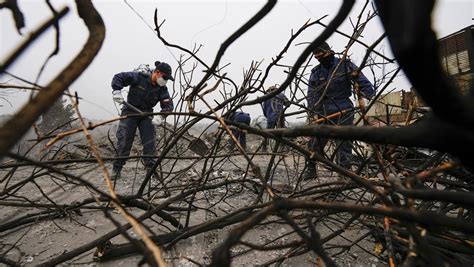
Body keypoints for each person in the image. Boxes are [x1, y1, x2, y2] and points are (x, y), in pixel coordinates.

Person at [303, 42, 375, 179]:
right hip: (323, 110)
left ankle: (344, 173)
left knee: (344, 142)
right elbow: (311, 94)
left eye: (321, 55)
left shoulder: (345, 65)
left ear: (329, 52)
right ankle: (310, 169)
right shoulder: (316, 72)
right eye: (316, 57)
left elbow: (361, 80)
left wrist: (369, 94)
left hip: (344, 109)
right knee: (315, 141)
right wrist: (312, 111)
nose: (319, 59)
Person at [110, 61, 174, 179]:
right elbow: (119, 77)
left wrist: (161, 116)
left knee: (150, 142)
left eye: (167, 79)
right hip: (130, 111)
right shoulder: (139, 77)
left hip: (147, 114)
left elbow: (168, 106)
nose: (165, 81)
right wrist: (117, 91)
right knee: (124, 141)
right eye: (164, 77)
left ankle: (151, 170)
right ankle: (116, 169)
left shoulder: (162, 89)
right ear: (157, 72)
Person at [262, 85, 290, 151]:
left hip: (270, 117)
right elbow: (288, 104)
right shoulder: (281, 95)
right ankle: (282, 148)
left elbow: (264, 109)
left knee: (267, 133)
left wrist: (267, 116)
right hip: (280, 117)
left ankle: (264, 148)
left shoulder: (266, 97)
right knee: (281, 132)